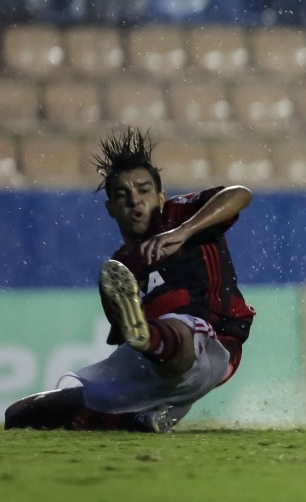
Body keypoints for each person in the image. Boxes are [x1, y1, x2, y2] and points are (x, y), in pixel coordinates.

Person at [4, 128, 255, 432]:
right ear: (110, 208)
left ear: (161, 196)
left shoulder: (180, 215)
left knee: (181, 327)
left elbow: (240, 194)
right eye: (123, 195)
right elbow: (123, 338)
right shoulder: (119, 268)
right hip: (154, 366)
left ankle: (149, 345)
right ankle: (143, 417)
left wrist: (182, 233)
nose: (135, 201)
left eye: (144, 190)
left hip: (214, 345)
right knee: (24, 413)